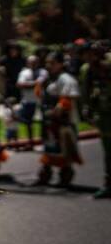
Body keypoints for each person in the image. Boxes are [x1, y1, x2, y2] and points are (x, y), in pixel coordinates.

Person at [36, 52, 82, 187]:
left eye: (52, 63)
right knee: (49, 148)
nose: (49, 66)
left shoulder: (66, 79)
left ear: (61, 64)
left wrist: (57, 110)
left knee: (64, 150)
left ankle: (65, 176)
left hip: (63, 122)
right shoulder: (49, 78)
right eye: (47, 63)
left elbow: (66, 100)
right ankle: (46, 174)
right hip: (50, 121)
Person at [80, 42, 111, 198]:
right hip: (104, 116)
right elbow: (86, 92)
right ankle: (108, 184)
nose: (89, 57)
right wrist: (87, 110)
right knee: (108, 152)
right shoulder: (87, 70)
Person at [16, 55, 48, 150]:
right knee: (28, 122)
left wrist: (28, 84)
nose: (33, 64)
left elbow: (41, 83)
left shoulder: (43, 72)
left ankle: (45, 140)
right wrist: (34, 84)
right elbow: (19, 84)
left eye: (35, 62)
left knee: (44, 121)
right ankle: (31, 142)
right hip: (28, 100)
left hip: (41, 99)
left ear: (38, 62)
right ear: (27, 63)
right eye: (31, 62)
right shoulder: (24, 72)